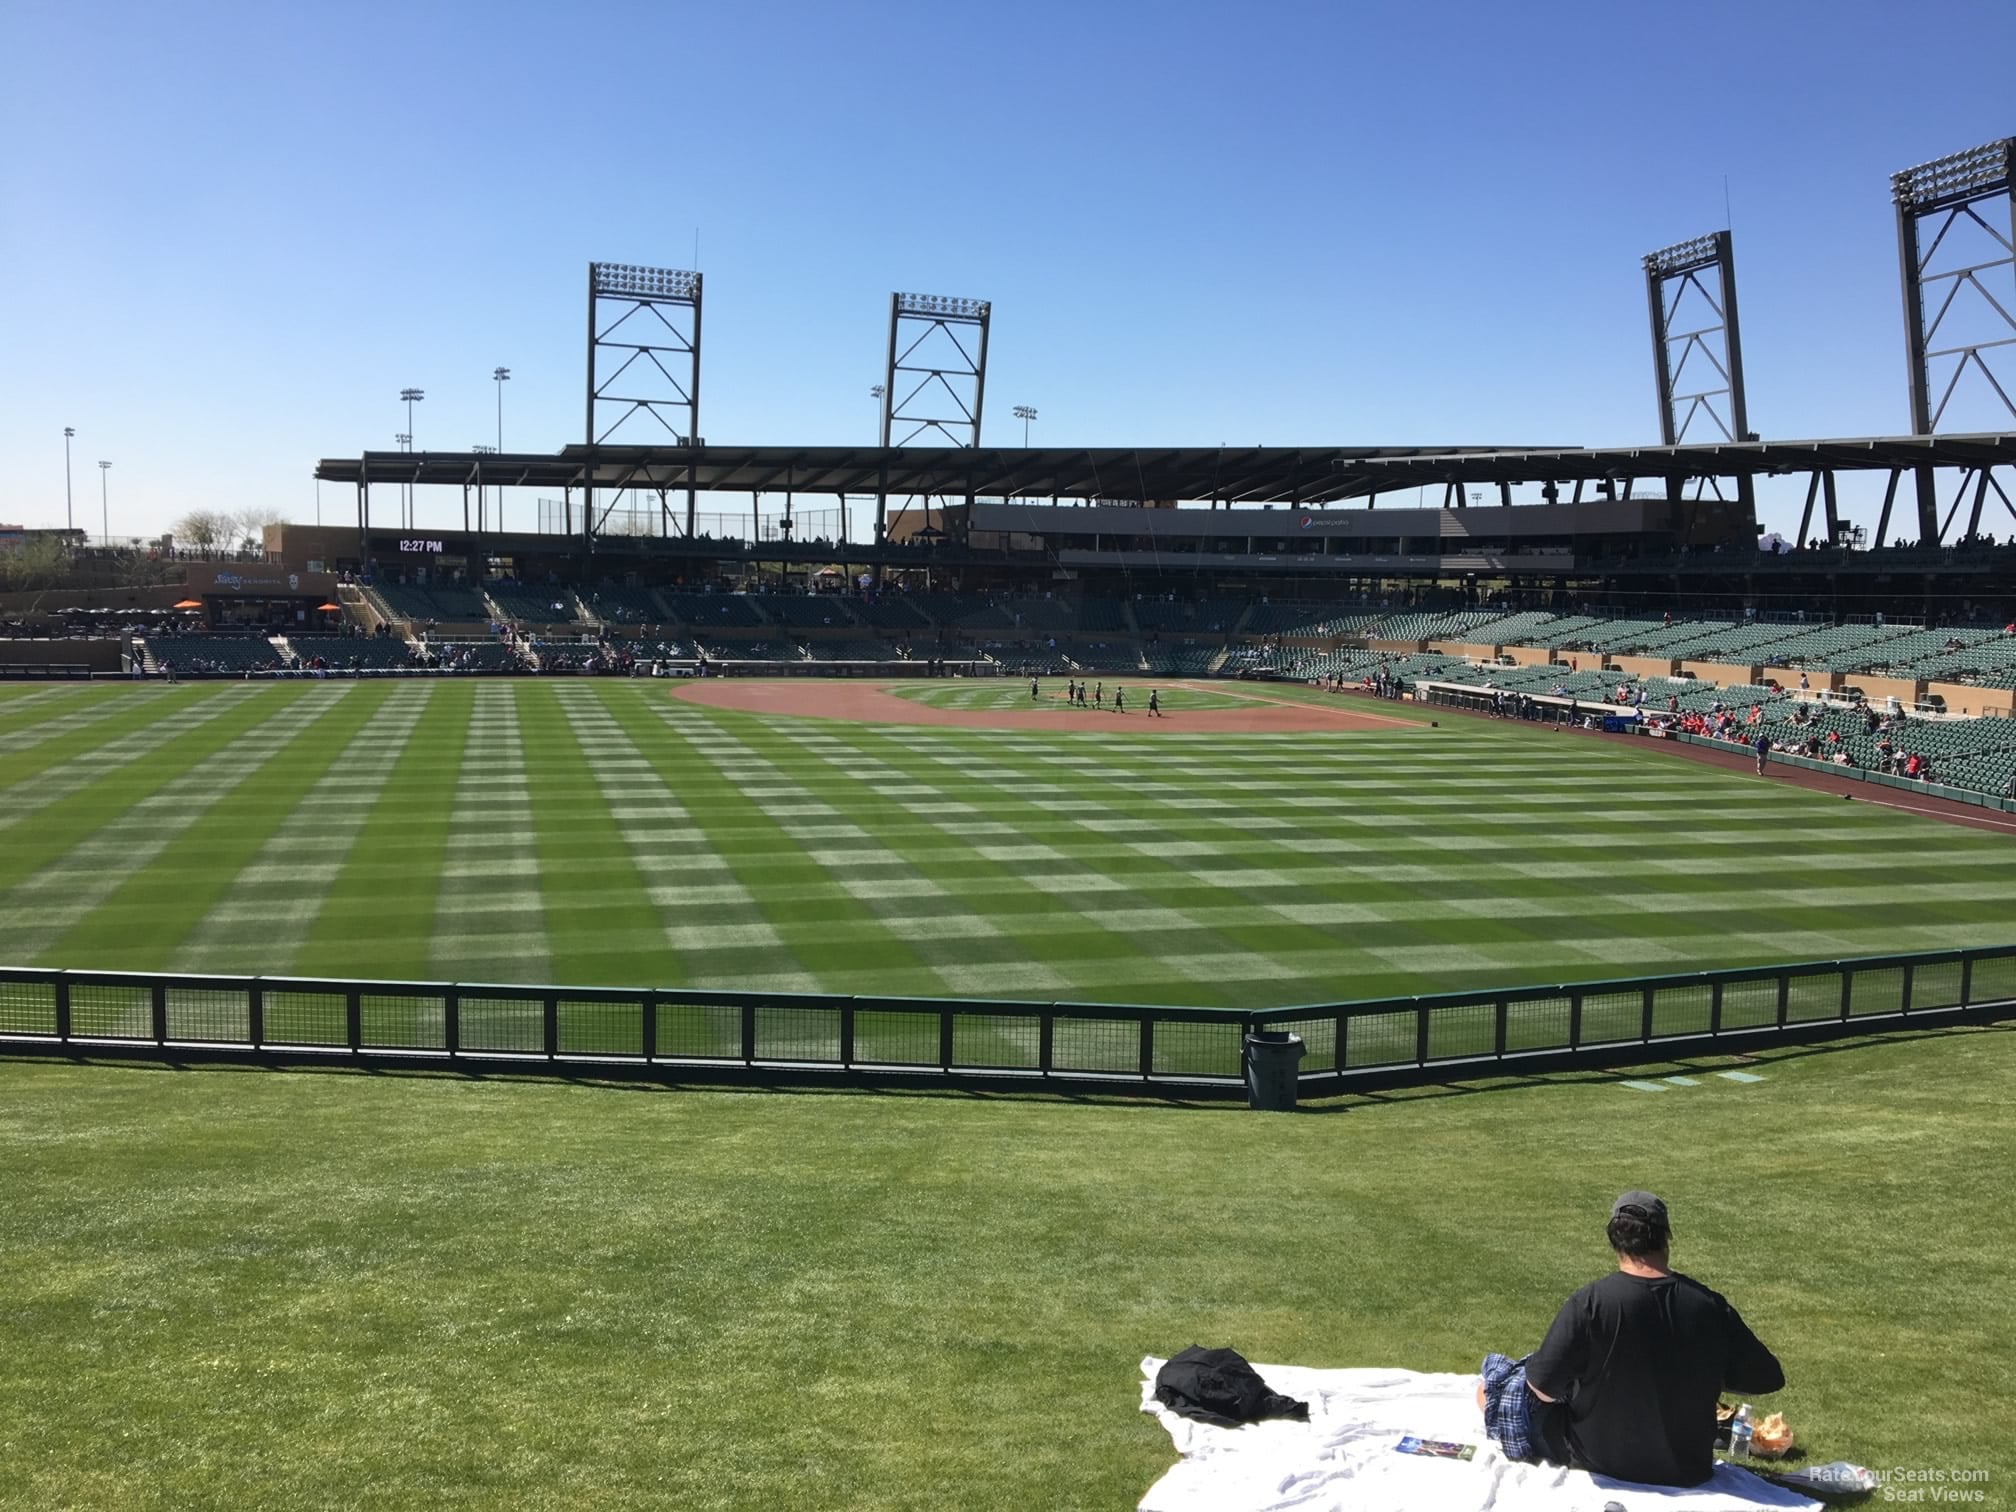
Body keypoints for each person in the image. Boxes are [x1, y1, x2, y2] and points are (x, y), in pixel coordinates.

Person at [1478, 1193, 1783, 1486]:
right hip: (1686, 1465)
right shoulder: (1708, 1305)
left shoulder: (1592, 1303)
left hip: (1600, 1458)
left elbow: (1542, 1390)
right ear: (1666, 1238)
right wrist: (1702, 1371)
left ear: (1615, 1242)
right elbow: (1766, 1377)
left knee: (1500, 1390)